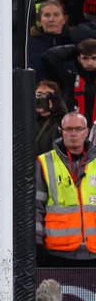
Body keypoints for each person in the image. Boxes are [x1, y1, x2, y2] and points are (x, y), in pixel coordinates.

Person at [36, 111, 96, 267]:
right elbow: (36, 207)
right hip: (57, 253)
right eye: (68, 129)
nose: (73, 134)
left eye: (78, 129)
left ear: (86, 131)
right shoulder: (45, 161)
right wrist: (36, 244)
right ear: (61, 131)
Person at [35, 80, 68, 156]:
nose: (43, 99)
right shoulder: (26, 120)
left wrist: (57, 114)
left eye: (48, 95)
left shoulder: (63, 120)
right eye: (39, 95)